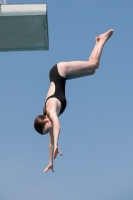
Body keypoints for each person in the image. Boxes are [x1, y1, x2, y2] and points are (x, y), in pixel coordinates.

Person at [34, 29, 114, 173]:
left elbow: (57, 127)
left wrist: (58, 144)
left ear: (46, 121)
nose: (51, 130)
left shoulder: (51, 110)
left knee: (94, 63)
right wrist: (50, 161)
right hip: (59, 77)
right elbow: (50, 142)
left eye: (48, 129)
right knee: (91, 70)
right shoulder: (49, 119)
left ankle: (102, 39)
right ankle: (97, 42)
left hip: (59, 71)